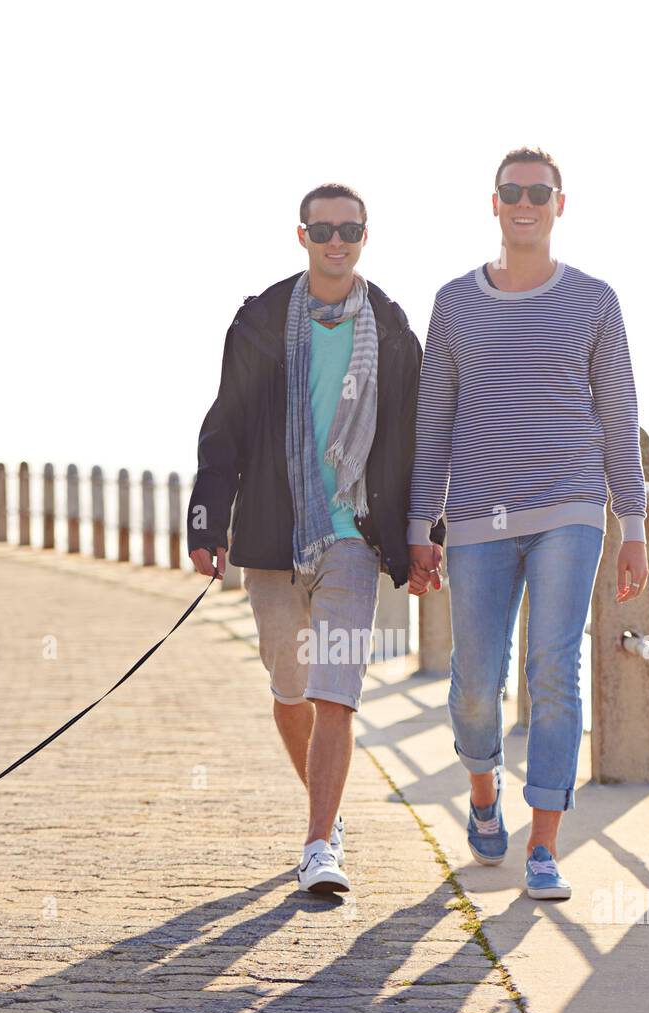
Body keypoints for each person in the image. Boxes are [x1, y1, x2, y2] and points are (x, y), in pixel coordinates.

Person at [407, 146, 649, 900]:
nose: (524, 202)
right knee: (474, 682)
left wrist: (631, 522)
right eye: (511, 190)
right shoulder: (453, 303)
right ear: (493, 202)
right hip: (477, 514)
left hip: (570, 510)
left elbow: (618, 415)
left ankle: (544, 842)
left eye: (537, 192)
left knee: (553, 668)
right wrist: (423, 524)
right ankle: (484, 794)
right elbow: (433, 421)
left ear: (558, 204)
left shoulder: (594, 301)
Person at [189, 182, 437, 894]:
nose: (337, 242)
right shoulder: (260, 322)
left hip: (354, 535)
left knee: (336, 693)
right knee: (290, 687)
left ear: (366, 235)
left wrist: (426, 536)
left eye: (349, 230)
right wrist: (207, 520)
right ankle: (322, 810)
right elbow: (224, 428)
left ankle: (320, 844)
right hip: (271, 532)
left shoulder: (392, 331)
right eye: (323, 230)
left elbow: (416, 442)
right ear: (300, 235)